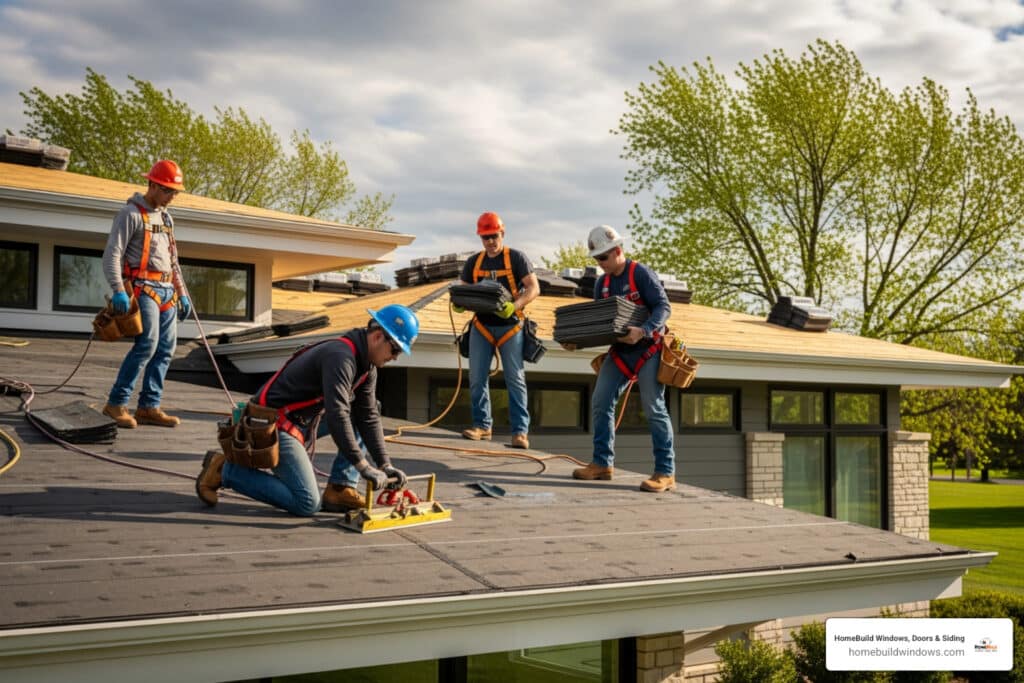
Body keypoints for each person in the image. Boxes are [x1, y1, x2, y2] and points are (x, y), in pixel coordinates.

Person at [195, 304, 419, 517]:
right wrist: (363, 466)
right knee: (307, 503)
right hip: (273, 424)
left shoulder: (367, 367)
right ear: (378, 336)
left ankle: (340, 488)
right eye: (396, 349)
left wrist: (385, 464)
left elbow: (368, 416)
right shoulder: (341, 357)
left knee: (365, 411)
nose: (395, 357)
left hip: (299, 422)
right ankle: (226, 470)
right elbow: (337, 413)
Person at [569, 225, 676, 492]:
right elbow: (600, 323)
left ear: (617, 250)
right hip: (620, 353)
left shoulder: (640, 274)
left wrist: (644, 330)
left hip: (649, 349)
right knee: (600, 401)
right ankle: (602, 464)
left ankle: (665, 472)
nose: (600, 263)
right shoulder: (601, 284)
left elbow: (664, 307)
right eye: (596, 258)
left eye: (603, 257)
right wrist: (577, 342)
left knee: (653, 407)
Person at [101, 160, 191, 429]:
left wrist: (182, 292)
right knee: (146, 345)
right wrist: (118, 289)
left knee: (166, 349)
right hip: (143, 289)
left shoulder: (166, 218)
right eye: (167, 190)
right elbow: (112, 254)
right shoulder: (130, 214)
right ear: (152, 184)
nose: (172, 196)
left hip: (167, 291)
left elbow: (173, 261)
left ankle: (149, 406)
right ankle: (116, 403)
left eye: (175, 192)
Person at [455, 211, 540, 449]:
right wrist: (459, 302)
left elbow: (533, 288)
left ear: (502, 233)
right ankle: (482, 425)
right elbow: (463, 290)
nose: (491, 241)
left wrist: (515, 305)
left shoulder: (516, 258)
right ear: (480, 238)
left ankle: (520, 432)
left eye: (494, 236)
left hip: (510, 326)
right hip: (482, 325)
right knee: (477, 377)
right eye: (486, 237)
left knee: (515, 379)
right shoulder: (474, 262)